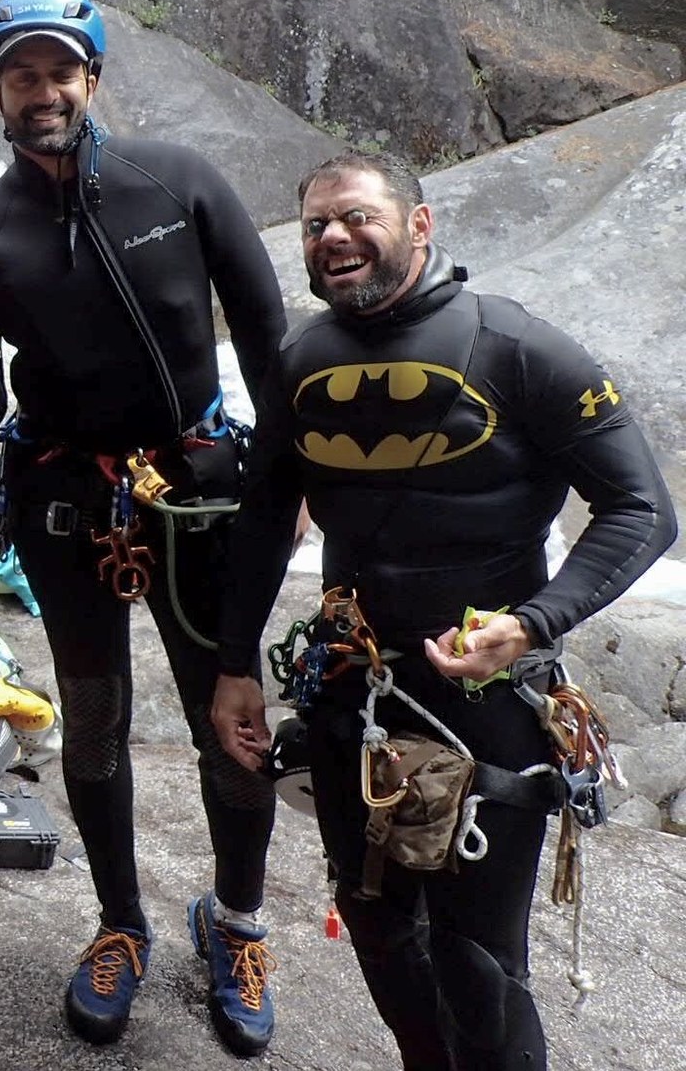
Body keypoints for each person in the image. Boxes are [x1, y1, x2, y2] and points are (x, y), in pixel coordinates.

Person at [211, 150, 677, 1071]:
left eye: (358, 216)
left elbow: (642, 510)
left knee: (478, 961)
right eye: (316, 224)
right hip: (352, 689)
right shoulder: (300, 361)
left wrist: (533, 623)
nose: (334, 237)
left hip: (489, 700)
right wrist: (234, 667)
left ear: (420, 226)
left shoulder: (519, 348)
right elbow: (266, 517)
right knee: (377, 924)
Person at [0, 0, 287, 1055]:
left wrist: (293, 480)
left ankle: (236, 923)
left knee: (230, 719)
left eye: (59, 72)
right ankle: (121, 923)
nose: (42, 92)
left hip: (196, 492)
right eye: (20, 76)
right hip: (67, 505)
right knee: (91, 723)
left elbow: (268, 337)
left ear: (91, 79)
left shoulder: (177, 181)